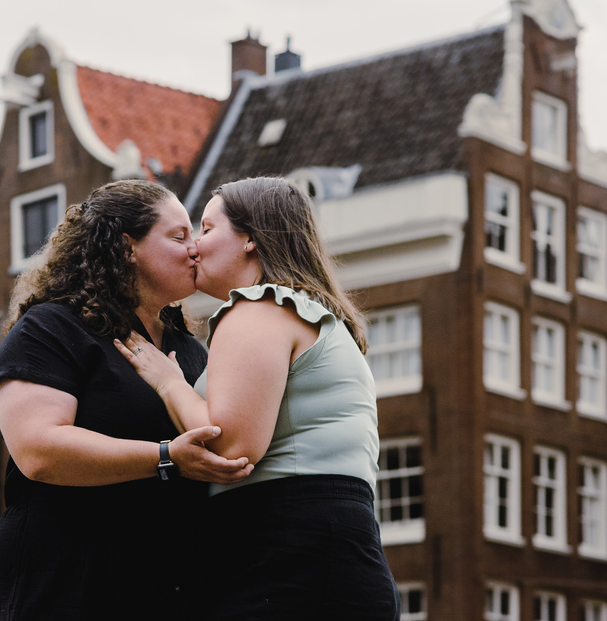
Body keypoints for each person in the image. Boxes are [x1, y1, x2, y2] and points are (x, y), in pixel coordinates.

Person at [114, 176, 399, 621]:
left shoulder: (258, 308)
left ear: (249, 238)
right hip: (330, 558)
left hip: (288, 562)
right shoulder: (313, 316)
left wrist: (169, 382)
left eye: (206, 229)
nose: (195, 246)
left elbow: (231, 449)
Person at [0, 179, 253, 621]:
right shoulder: (52, 328)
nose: (195, 249)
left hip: (170, 587)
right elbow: (38, 451)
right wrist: (166, 457)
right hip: (72, 582)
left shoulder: (192, 350)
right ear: (127, 248)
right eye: (179, 236)